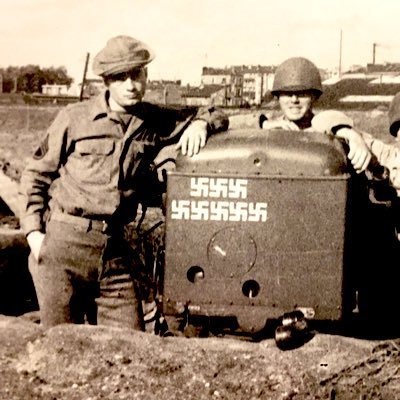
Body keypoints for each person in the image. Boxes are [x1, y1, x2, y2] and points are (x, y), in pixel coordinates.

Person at [19, 35, 229, 330]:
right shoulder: (74, 118)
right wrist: (33, 235)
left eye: (137, 75)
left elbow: (213, 111)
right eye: (120, 78)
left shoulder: (151, 120)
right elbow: (36, 174)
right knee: (59, 344)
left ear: (146, 76)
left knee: (131, 342)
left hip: (114, 250)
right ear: (106, 81)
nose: (131, 85)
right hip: (64, 245)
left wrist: (201, 123)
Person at [259, 57, 372, 174]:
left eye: (302, 94)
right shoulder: (269, 126)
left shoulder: (327, 126)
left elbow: (333, 124)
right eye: (287, 94)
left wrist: (353, 136)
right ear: (278, 97)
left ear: (314, 96)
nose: (294, 100)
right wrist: (264, 128)